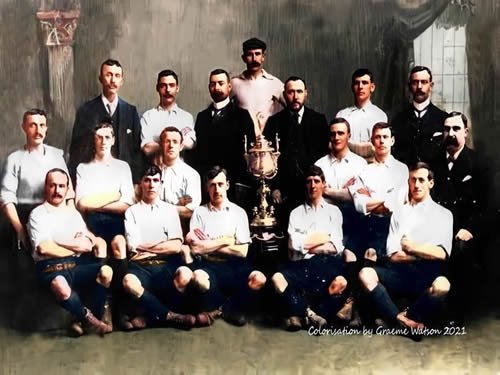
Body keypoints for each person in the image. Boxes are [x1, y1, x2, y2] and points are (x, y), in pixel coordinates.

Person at [359, 162, 453, 334]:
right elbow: (393, 255)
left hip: (426, 276)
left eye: (421, 180)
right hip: (399, 274)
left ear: (430, 183)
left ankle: (408, 315)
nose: (416, 185)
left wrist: (411, 247)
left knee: (443, 285)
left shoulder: (444, 214)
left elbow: (442, 253)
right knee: (366, 273)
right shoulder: (399, 213)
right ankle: (401, 320)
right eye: (412, 180)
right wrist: (426, 251)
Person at [27, 168, 113, 336]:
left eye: (61, 186)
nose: (57, 191)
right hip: (50, 266)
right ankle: (91, 320)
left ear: (67, 189)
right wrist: (73, 245)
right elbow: (44, 248)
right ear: (46, 187)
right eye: (53, 186)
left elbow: (87, 245)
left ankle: (80, 319)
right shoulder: (37, 214)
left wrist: (56, 241)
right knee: (61, 287)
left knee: (106, 271)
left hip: (76, 264)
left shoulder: (73, 214)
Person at [271, 165, 350, 331]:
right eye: (309, 182)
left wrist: (305, 245)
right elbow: (293, 245)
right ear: (304, 186)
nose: (312, 185)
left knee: (341, 283)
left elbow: (335, 247)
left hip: (325, 264)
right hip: (300, 266)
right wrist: (322, 238)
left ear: (323, 184)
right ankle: (311, 314)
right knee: (277, 279)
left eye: (316, 181)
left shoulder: (333, 212)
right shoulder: (296, 213)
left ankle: (302, 313)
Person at [185, 166, 266, 326]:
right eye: (212, 185)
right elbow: (196, 248)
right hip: (209, 264)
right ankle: (227, 308)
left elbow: (242, 251)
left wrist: (209, 243)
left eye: (220, 184)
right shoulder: (199, 213)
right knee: (199, 279)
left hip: (234, 264)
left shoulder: (239, 213)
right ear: (207, 187)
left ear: (227, 185)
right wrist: (225, 240)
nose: (217, 189)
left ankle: (220, 310)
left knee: (259, 279)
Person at [430, 112, 490, 323]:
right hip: (437, 227)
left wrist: (470, 228)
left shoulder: (479, 163)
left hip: (465, 228)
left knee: (461, 252)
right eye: (447, 129)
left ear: (465, 132)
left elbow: (488, 205)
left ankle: (455, 312)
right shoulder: (433, 161)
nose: (451, 134)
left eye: (456, 129)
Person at [121, 165, 197, 330]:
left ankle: (150, 318)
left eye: (155, 180)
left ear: (160, 183)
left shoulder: (170, 210)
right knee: (129, 282)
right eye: (147, 180)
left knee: (185, 274)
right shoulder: (132, 212)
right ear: (141, 183)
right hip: (141, 266)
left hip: (166, 264)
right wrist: (162, 244)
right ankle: (169, 316)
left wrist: (147, 246)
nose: (151, 185)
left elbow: (176, 246)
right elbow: (133, 245)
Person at [1, 108, 74, 250]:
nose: (38, 131)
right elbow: (6, 198)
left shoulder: (56, 155)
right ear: (24, 128)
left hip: (54, 215)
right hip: (24, 217)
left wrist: (70, 220)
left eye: (41, 125)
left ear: (46, 128)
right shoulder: (14, 159)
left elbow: (69, 191)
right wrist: (20, 230)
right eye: (32, 125)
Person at [263, 76, 329, 224]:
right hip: (284, 193)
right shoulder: (274, 122)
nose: (295, 96)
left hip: (312, 189)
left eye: (299, 91)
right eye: (291, 92)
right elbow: (268, 160)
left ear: (306, 93)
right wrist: (274, 188)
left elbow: (324, 156)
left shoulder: (318, 120)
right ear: (285, 94)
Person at [69, 58, 143, 183]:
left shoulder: (130, 111)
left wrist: (135, 183)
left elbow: (137, 153)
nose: (113, 80)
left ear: (122, 81)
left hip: (123, 180)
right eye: (108, 75)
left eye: (117, 76)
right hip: (94, 179)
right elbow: (76, 151)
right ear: (100, 79)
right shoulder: (86, 111)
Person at [191, 68, 255, 197]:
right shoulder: (202, 117)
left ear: (229, 87)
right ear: (209, 87)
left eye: (221, 83)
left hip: (234, 184)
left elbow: (249, 151)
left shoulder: (242, 116)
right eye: (213, 84)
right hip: (208, 184)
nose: (217, 87)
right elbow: (199, 153)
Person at [348, 123, 408, 258]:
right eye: (377, 137)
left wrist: (372, 199)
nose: (381, 141)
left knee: (372, 254)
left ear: (392, 141)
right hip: (367, 223)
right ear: (372, 141)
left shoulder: (402, 170)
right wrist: (385, 200)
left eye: (385, 137)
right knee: (348, 254)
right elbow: (360, 204)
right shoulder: (364, 170)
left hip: (391, 224)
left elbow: (398, 204)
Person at [314, 118, 367, 249]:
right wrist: (347, 191)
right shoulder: (319, 165)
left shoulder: (360, 164)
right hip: (326, 222)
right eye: (333, 134)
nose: (336, 137)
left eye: (341, 133)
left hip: (353, 222)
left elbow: (359, 198)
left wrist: (327, 191)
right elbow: (316, 197)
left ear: (349, 135)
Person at [392, 66, 448, 166]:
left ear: (431, 85)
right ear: (409, 86)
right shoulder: (398, 120)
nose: (419, 86)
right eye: (415, 82)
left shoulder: (443, 119)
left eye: (424, 82)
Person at [231, 37, 284, 134]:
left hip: (268, 138)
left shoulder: (274, 83)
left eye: (257, 54)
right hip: (242, 137)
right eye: (249, 55)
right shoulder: (234, 83)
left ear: (263, 57)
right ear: (243, 58)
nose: (254, 59)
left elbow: (292, 109)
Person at [141, 69, 196, 161]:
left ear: (177, 88)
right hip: (156, 171)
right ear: (157, 88)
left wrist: (160, 141)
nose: (168, 90)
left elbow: (190, 143)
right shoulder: (148, 116)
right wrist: (176, 140)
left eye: (171, 85)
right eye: (163, 86)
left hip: (180, 171)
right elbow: (146, 148)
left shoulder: (186, 117)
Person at [336, 68, 387, 160]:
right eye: (356, 83)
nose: (360, 87)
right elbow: (337, 145)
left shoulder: (380, 115)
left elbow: (379, 147)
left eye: (364, 83)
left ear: (372, 87)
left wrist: (349, 145)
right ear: (352, 87)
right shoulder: (342, 115)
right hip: (347, 165)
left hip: (372, 166)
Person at [157, 127, 201, 233]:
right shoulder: (153, 173)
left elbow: (189, 212)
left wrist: (158, 207)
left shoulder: (191, 174)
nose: (171, 145)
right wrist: (177, 205)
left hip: (179, 229)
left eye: (175, 142)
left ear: (181, 146)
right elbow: (145, 205)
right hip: (154, 227)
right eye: (167, 141)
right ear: (161, 145)